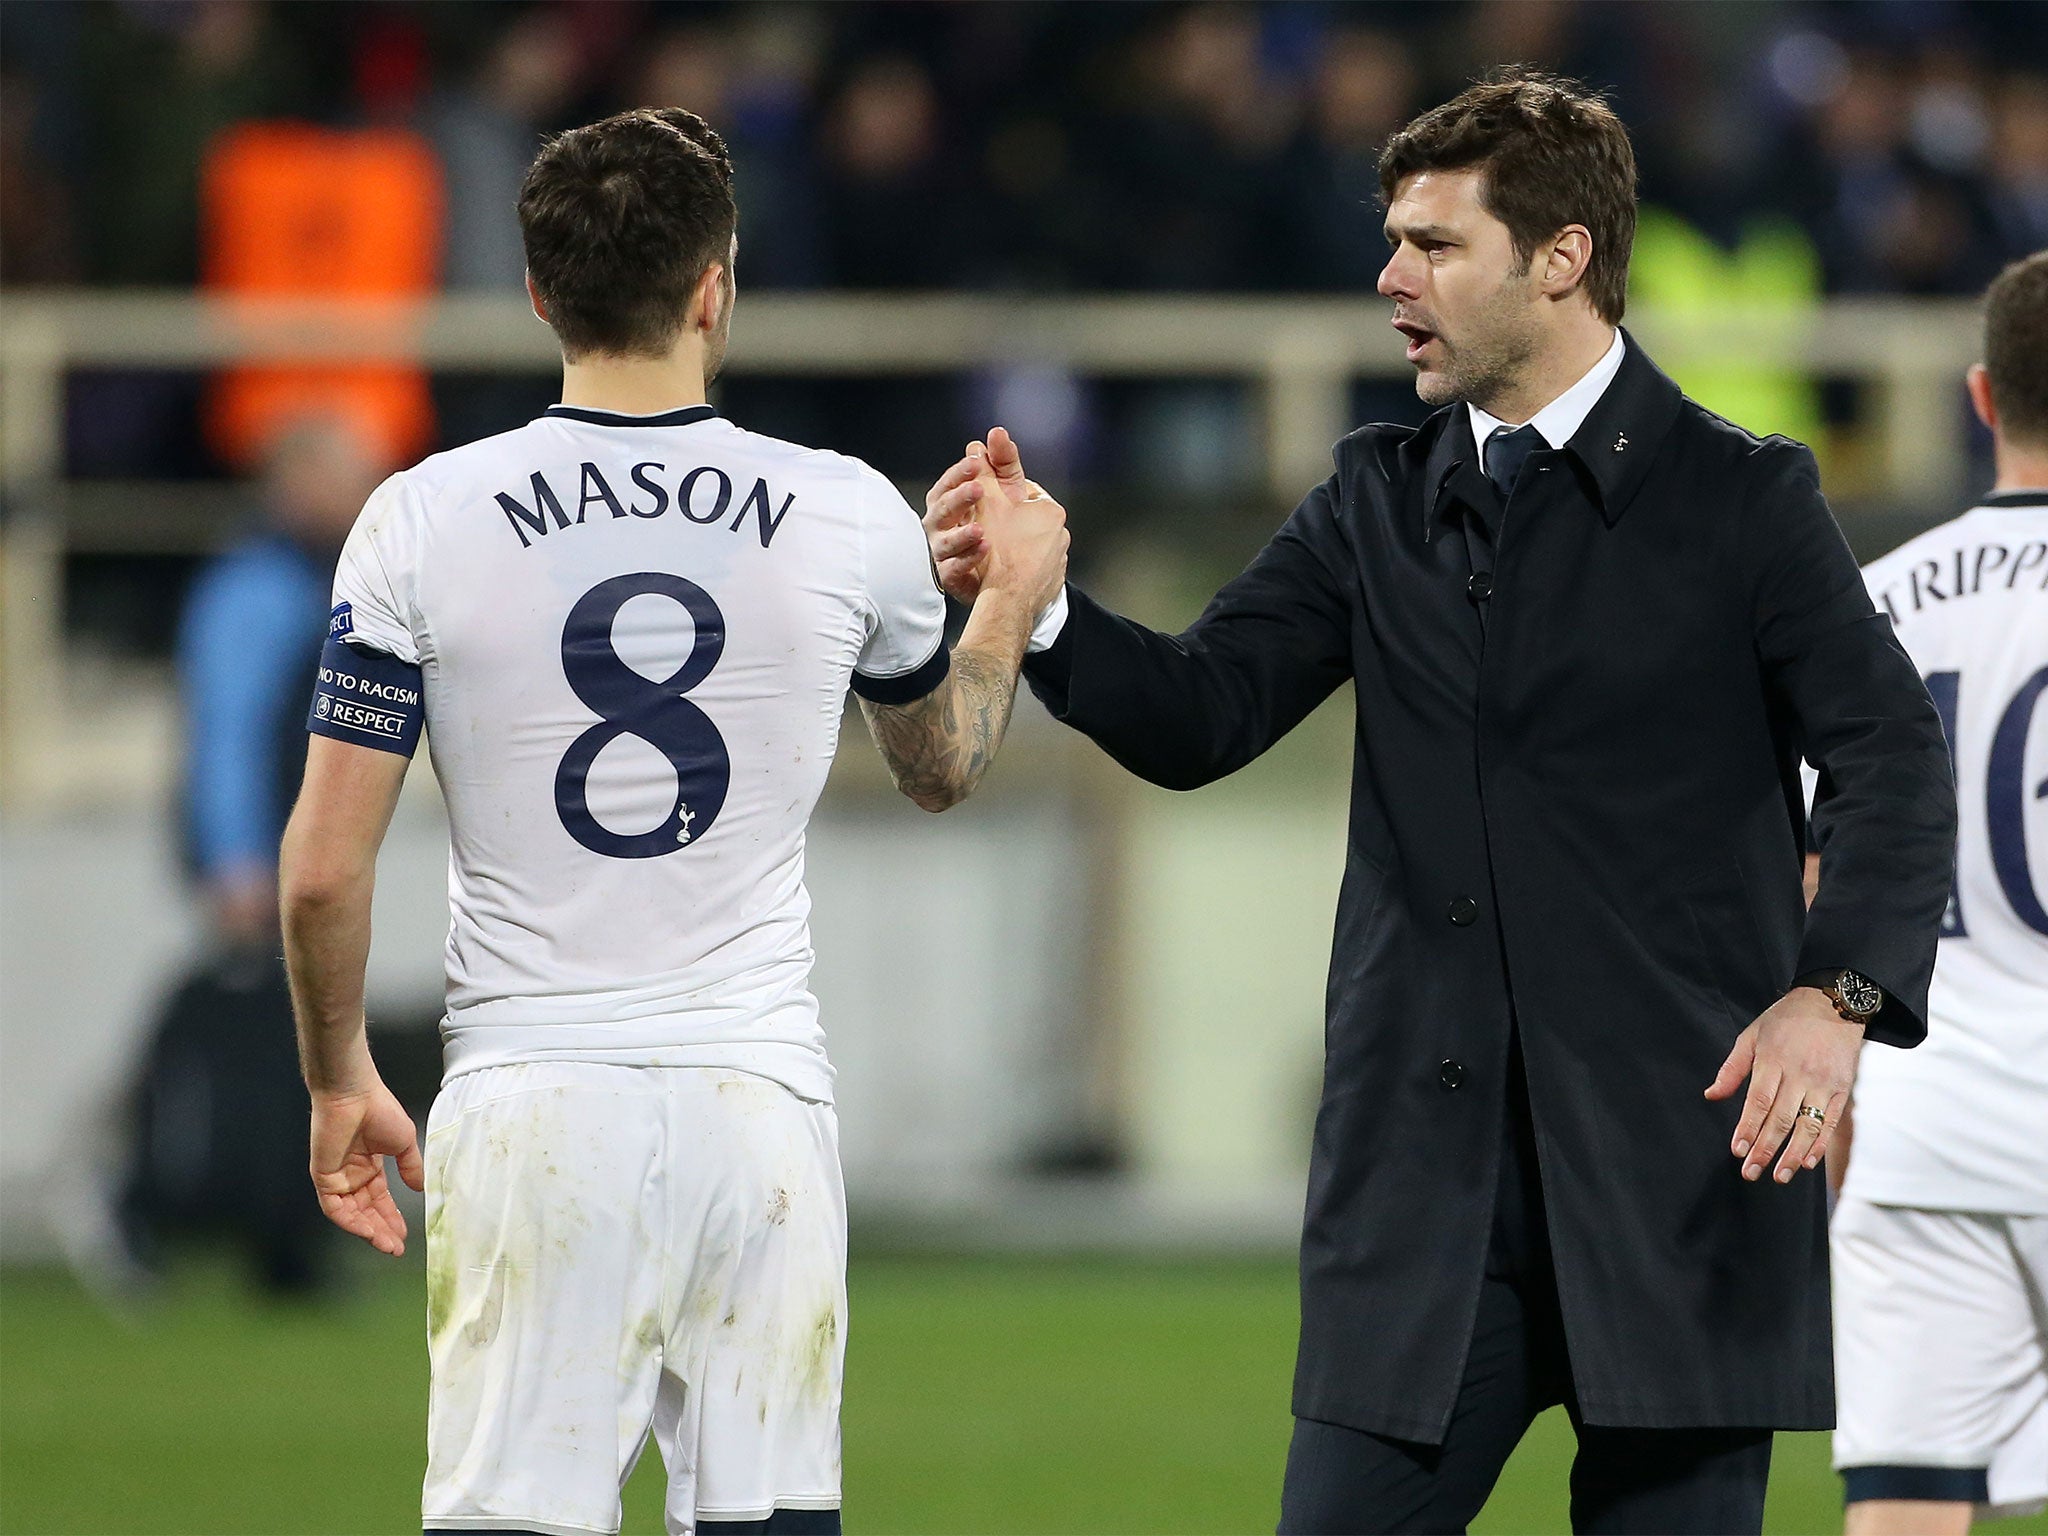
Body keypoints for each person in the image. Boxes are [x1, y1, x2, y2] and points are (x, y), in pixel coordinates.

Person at [926, 70, 1955, 1535]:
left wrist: (1833, 996)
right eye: (1395, 239)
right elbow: (1205, 711)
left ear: (1562, 259)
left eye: (1434, 245)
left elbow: (1893, 758)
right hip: (1428, 1209)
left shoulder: (1743, 499)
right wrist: (1042, 612)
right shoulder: (1372, 498)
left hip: (1677, 1184)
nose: (1390, 278)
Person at [276, 108, 1066, 1536]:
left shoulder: (417, 518)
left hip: (531, 1105)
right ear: (717, 285)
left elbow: (325, 874)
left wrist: (340, 1076)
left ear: (536, 294)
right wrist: (1005, 601)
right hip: (752, 1107)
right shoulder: (844, 513)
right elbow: (942, 765)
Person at [1824, 250, 2048, 1535]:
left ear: (1979, 396)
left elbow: (1814, 870)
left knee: (1905, 1506)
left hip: (1922, 1134)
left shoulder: (1872, 605)